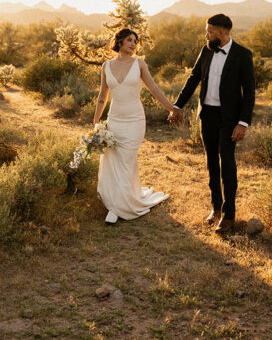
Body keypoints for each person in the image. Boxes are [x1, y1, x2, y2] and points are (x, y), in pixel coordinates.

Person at [169, 14, 255, 234]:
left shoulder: (243, 55)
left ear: (221, 33)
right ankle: (216, 208)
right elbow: (193, 78)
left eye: (209, 31)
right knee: (211, 163)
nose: (206, 35)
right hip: (207, 115)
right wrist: (177, 106)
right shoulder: (206, 50)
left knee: (227, 162)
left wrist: (242, 123)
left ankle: (229, 215)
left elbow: (250, 93)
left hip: (229, 119)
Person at [93, 27, 179, 224]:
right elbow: (102, 96)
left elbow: (154, 88)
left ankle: (116, 209)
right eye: (130, 40)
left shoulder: (139, 64)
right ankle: (120, 198)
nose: (133, 44)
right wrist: (96, 121)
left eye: (135, 41)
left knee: (128, 160)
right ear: (120, 42)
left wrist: (171, 108)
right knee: (114, 161)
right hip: (114, 121)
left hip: (134, 121)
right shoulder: (106, 66)